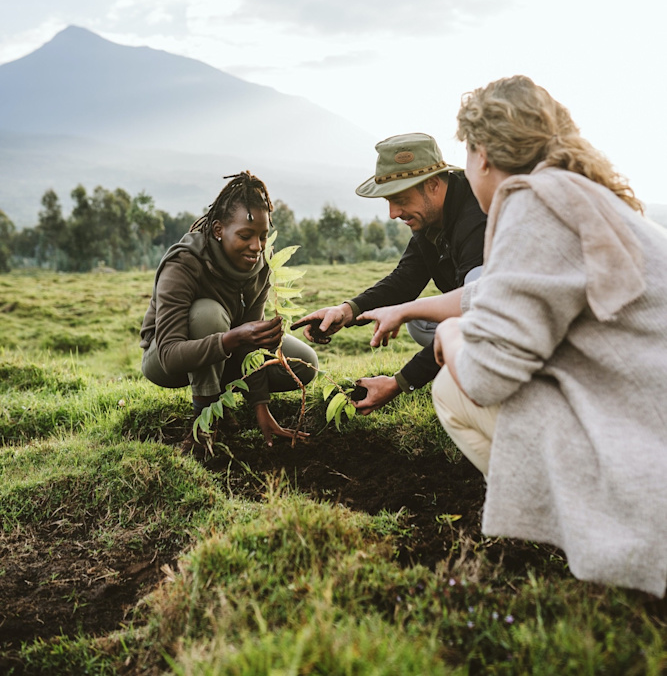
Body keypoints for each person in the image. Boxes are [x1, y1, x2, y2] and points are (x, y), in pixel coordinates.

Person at [390, 75, 666, 596]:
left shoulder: (533, 203)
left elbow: (490, 376)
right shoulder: (583, 195)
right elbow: (500, 291)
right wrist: (410, 311)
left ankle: (606, 537)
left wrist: (450, 334)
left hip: (651, 467)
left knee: (451, 390)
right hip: (648, 419)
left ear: (484, 154)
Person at [295, 133, 486, 414]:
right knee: (418, 323)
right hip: (479, 314)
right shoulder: (430, 219)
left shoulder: (477, 220)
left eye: (400, 199)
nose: (393, 213)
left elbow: (478, 314)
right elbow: (405, 280)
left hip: (502, 323)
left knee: (447, 325)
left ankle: (478, 373)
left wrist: (400, 382)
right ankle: (460, 361)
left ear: (433, 184)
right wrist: (347, 310)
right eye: (388, 201)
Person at [140, 171, 318, 450]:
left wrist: (262, 407)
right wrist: (235, 338)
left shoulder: (260, 267)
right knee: (207, 314)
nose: (256, 247)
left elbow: (251, 346)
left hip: (227, 349)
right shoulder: (184, 263)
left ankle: (225, 402)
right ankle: (205, 419)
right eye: (245, 235)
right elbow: (169, 355)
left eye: (262, 236)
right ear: (218, 230)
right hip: (166, 359)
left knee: (305, 362)